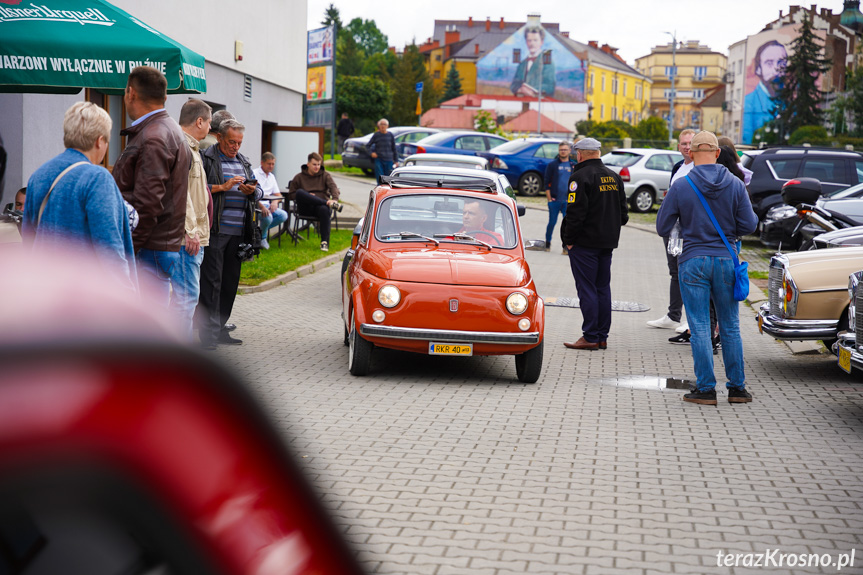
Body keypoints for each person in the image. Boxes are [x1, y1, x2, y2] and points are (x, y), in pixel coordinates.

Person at [656, 131, 758, 405]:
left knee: (700, 327)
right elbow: (749, 225)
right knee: (731, 326)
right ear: (716, 153)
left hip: (692, 260)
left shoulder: (682, 184)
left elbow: (662, 226)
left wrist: (686, 226)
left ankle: (706, 389)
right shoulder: (736, 184)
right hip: (726, 261)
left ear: (691, 154)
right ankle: (737, 389)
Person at [22, 102, 136, 292]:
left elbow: (28, 240)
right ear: (99, 141)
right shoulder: (98, 179)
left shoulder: (39, 176)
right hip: (85, 301)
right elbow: (110, 252)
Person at [112, 66, 190, 305]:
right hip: (157, 246)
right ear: (164, 96)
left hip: (148, 248)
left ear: (130, 93)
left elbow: (147, 204)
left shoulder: (154, 136)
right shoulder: (165, 130)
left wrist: (126, 251)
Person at [198, 118, 263, 348]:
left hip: (239, 233)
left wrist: (252, 191)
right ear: (219, 137)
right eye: (231, 142)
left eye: (239, 143)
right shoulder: (206, 158)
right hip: (215, 231)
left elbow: (259, 192)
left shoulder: (244, 161)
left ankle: (221, 329)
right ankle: (207, 334)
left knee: (229, 284)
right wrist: (222, 188)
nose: (235, 147)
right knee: (211, 283)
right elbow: (197, 189)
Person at [560, 137, 628, 351]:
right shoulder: (614, 177)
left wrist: (568, 241)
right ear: (598, 152)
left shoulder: (580, 177)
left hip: (584, 244)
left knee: (587, 289)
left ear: (580, 154)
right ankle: (601, 336)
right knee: (602, 289)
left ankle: (590, 336)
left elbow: (575, 214)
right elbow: (624, 215)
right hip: (606, 243)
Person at [647, 129, 696, 336]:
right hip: (673, 229)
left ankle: (691, 319)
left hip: (688, 229)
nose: (686, 147)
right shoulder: (678, 167)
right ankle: (673, 315)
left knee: (688, 273)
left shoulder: (698, 167)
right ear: (678, 146)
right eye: (683, 143)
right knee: (675, 272)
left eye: (690, 143)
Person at [174, 98, 212, 341]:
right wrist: (191, 231)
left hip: (192, 235)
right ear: (199, 121)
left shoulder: (191, 147)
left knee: (183, 299)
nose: (210, 128)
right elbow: (181, 191)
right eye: (209, 123)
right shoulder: (183, 147)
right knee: (185, 299)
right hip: (188, 239)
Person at [288, 152, 342, 252]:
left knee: (324, 209)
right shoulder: (299, 177)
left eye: (318, 164)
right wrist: (307, 196)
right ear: (308, 164)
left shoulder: (325, 175)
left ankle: (324, 242)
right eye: (314, 164)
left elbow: (334, 188)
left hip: (320, 209)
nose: (317, 167)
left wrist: (334, 199)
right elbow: (291, 195)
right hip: (305, 208)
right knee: (300, 192)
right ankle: (327, 203)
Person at [742, 40, 787, 145]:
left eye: (781, 63)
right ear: (758, 69)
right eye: (769, 63)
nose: (776, 69)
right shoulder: (749, 103)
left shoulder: (790, 104)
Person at [544, 141, 576, 254]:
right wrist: (549, 199)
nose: (563, 151)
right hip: (554, 200)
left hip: (568, 201)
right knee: (552, 223)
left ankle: (565, 246)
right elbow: (546, 182)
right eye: (561, 150)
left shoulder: (573, 165)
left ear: (569, 151)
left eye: (565, 149)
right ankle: (547, 243)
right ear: (559, 151)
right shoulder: (552, 165)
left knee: (567, 225)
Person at [253, 152, 288, 249]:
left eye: (273, 164)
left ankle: (259, 233)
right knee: (268, 217)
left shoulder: (272, 176)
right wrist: (262, 207)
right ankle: (263, 238)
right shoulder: (254, 173)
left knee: (283, 215)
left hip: (268, 205)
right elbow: (252, 195)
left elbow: (279, 195)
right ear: (262, 163)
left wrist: (275, 202)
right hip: (257, 205)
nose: (271, 166)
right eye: (269, 164)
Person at [510, 26, 555, 98]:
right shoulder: (522, 64)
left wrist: (531, 90)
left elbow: (550, 86)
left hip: (541, 104)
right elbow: (514, 84)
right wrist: (520, 89)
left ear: (541, 42)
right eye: (529, 40)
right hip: (522, 102)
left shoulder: (547, 62)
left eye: (535, 40)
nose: (532, 43)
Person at [368, 119, 396, 184]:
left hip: (389, 160)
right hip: (379, 159)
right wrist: (371, 153)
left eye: (384, 124)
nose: (383, 126)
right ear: (379, 126)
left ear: (387, 126)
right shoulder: (376, 135)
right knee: (380, 179)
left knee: (388, 180)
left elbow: (394, 148)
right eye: (381, 124)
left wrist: (396, 160)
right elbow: (367, 146)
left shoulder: (390, 135)